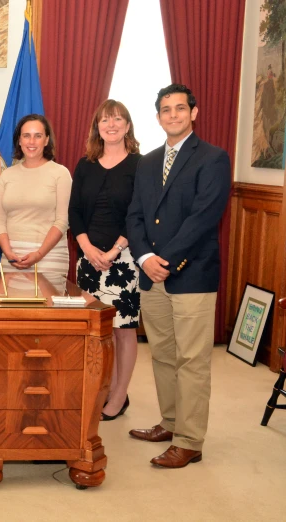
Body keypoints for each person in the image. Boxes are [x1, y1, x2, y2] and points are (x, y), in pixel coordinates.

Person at [126, 84, 231, 468]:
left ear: (194, 112)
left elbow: (204, 218)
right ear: (157, 117)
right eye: (165, 110)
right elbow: (135, 215)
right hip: (151, 276)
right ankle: (170, 423)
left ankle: (189, 441)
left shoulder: (213, 158)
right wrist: (144, 257)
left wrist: (165, 260)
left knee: (192, 360)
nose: (173, 115)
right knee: (163, 356)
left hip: (192, 275)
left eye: (180, 108)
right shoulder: (149, 161)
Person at [69, 100, 142, 421]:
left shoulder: (142, 165)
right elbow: (74, 211)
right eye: (104, 120)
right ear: (96, 127)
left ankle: (119, 395)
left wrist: (113, 252)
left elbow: (140, 214)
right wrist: (86, 248)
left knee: (123, 330)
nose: (110, 125)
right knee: (95, 330)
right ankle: (99, 387)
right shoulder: (85, 165)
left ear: (127, 126)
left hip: (123, 261)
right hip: (88, 259)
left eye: (117, 119)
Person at [0, 114, 71, 275]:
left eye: (38, 136)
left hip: (49, 258)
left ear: (47, 140)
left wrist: (39, 254)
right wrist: (8, 252)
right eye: (26, 136)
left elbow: (62, 221)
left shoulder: (61, 174)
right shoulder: (6, 175)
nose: (32, 141)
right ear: (19, 140)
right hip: (11, 258)